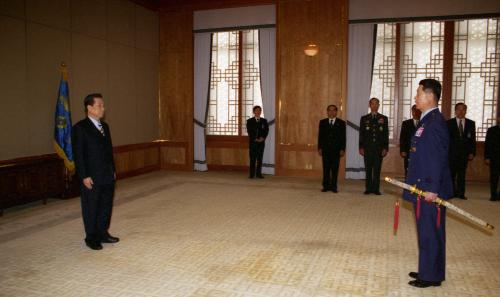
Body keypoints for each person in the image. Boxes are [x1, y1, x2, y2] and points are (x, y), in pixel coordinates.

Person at [403, 79, 453, 288]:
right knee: (428, 230)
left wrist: (432, 189)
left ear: (429, 96)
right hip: (422, 185)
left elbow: (436, 159)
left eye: (418, 93)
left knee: (430, 231)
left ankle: (430, 276)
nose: (416, 97)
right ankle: (429, 269)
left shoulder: (433, 124)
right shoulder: (427, 120)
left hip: (428, 188)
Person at [72, 94, 119, 250]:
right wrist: (84, 175)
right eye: (99, 105)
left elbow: (108, 151)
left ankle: (102, 233)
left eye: (103, 105)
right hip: (91, 176)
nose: (103, 108)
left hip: (107, 174)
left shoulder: (105, 127)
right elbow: (78, 154)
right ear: (89, 108)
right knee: (91, 206)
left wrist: (113, 169)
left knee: (106, 204)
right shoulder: (80, 128)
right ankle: (91, 237)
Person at [359, 98, 389, 195]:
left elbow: (385, 134)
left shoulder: (383, 118)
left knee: (377, 169)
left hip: (379, 148)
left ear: (379, 105)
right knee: (368, 169)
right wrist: (361, 147)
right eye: (373, 104)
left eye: (376, 104)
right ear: (369, 105)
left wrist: (385, 148)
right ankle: (368, 188)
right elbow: (362, 134)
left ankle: (376, 188)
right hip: (367, 148)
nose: (375, 106)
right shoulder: (364, 118)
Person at [447, 103, 476, 199]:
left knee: (462, 175)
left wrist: (472, 152)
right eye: (459, 109)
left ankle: (461, 194)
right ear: (455, 111)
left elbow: (472, 139)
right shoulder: (449, 123)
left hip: (464, 154)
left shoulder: (471, 123)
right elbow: (446, 140)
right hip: (451, 154)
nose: (461, 111)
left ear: (466, 111)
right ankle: (451, 193)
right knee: (451, 175)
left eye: (463, 109)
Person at [317, 105, 346, 193]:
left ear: (336, 112)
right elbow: (320, 136)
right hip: (325, 149)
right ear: (327, 112)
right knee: (326, 168)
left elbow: (343, 137)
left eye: (333, 110)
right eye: (330, 110)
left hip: (336, 150)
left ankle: (334, 186)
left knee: (335, 169)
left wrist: (342, 149)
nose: (332, 112)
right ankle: (326, 186)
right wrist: (319, 147)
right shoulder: (323, 122)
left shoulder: (341, 123)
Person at [246, 106, 269, 179]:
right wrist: (255, 139)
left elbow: (266, 130)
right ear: (254, 112)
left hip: (261, 143)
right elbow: (249, 131)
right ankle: (252, 174)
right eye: (256, 110)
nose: (258, 112)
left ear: (261, 112)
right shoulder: (249, 121)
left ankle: (259, 174)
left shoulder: (264, 121)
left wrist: (263, 138)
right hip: (253, 143)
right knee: (252, 159)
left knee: (260, 159)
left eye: (259, 110)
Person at [400, 105, 421, 178]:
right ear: (412, 112)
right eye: (414, 110)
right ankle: (408, 188)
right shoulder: (406, 123)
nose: (416, 112)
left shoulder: (424, 123)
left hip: (421, 152)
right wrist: (402, 150)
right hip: (408, 151)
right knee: (408, 170)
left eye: (418, 110)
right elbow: (402, 138)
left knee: (420, 171)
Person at [485, 112, 500, 201]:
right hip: (495, 158)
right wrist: (487, 157)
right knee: (494, 177)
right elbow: (488, 145)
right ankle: (493, 195)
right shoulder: (492, 130)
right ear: (498, 119)